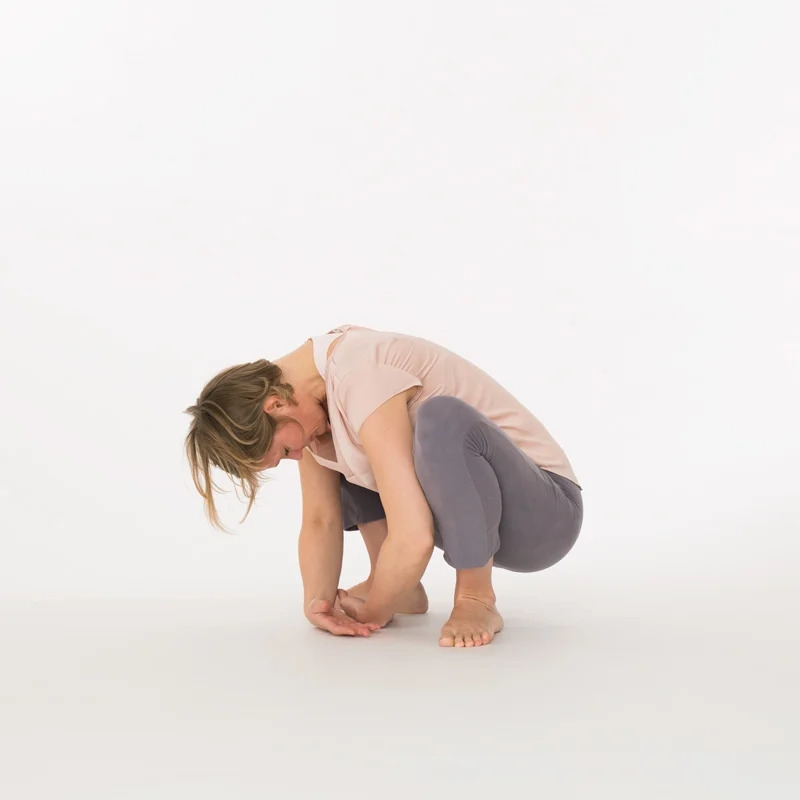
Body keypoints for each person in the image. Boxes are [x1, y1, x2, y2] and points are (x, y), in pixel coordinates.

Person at [184, 324, 583, 648]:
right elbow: (321, 519)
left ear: (275, 404)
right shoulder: (314, 405)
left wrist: (373, 611)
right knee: (336, 443)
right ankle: (398, 587)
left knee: (438, 418)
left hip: (544, 514)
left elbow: (415, 538)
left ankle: (476, 596)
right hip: (475, 518)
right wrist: (317, 604)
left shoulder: (360, 373)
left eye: (285, 449)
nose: (295, 456)